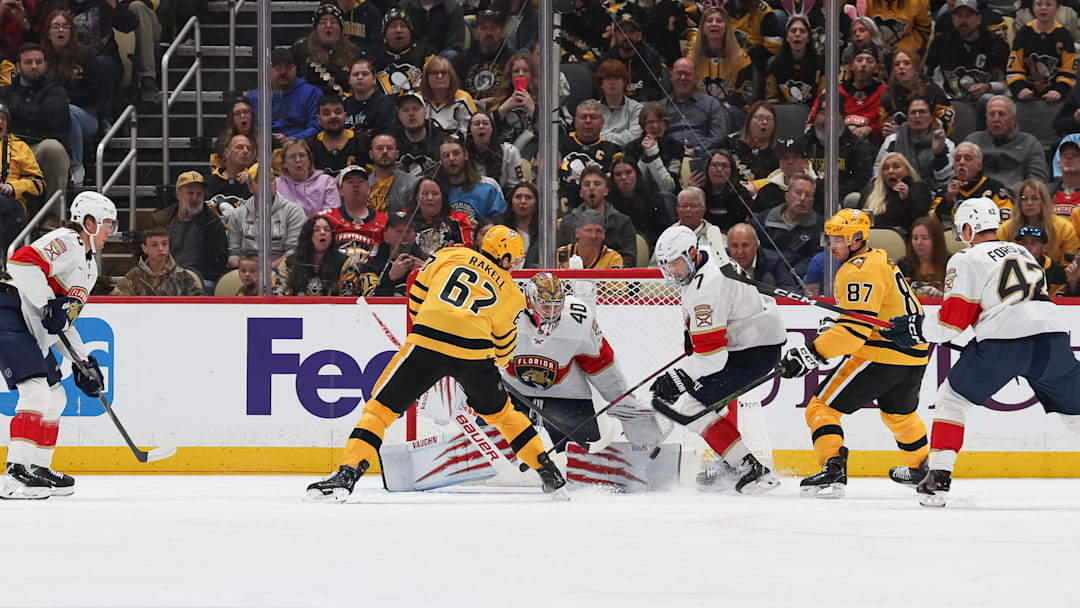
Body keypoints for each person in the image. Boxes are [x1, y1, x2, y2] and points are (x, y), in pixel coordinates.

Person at [306, 225, 568, 501]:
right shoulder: (513, 294)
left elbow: (417, 294)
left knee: (380, 410)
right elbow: (503, 348)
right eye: (513, 260)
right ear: (504, 258)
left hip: (427, 342)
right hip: (475, 352)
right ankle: (550, 474)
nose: (513, 265)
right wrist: (487, 368)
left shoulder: (451, 254)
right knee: (503, 416)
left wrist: (428, 327)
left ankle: (347, 475)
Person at [882, 198, 1080, 507]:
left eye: (960, 227)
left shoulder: (967, 258)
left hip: (1004, 342)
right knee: (1076, 415)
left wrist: (915, 328)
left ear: (969, 226)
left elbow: (950, 324)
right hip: (1052, 338)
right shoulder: (1023, 251)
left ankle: (938, 478)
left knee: (951, 400)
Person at [779, 209, 930, 498]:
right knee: (900, 415)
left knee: (821, 408)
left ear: (857, 239)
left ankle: (832, 469)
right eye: (831, 239)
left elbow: (854, 333)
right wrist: (838, 325)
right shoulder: (877, 258)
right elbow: (865, 315)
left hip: (881, 354)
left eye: (839, 240)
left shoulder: (857, 270)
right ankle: (920, 468)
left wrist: (810, 354)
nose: (832, 246)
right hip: (914, 353)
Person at [649, 224, 786, 493]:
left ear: (690, 253)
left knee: (690, 407)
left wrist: (677, 378)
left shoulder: (707, 290)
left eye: (676, 264)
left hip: (752, 350)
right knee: (711, 402)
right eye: (666, 265)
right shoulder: (707, 255)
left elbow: (712, 359)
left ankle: (751, 469)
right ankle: (732, 461)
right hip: (750, 338)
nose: (671, 272)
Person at [0, 191, 115, 498]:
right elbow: (21, 263)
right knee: (36, 390)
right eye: (106, 224)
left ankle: (37, 467)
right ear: (88, 222)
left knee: (56, 396)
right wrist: (48, 304)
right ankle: (13, 474)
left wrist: (84, 361)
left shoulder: (90, 268)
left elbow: (63, 320)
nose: (110, 232)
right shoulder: (68, 240)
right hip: (8, 309)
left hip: (29, 319)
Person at [504, 272, 670, 454]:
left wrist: (621, 400)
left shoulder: (577, 319)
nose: (552, 312)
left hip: (566, 398)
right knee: (489, 445)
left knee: (585, 458)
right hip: (514, 395)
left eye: (556, 305)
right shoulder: (507, 315)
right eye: (545, 305)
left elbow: (600, 364)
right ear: (530, 302)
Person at [0, 42, 69, 209]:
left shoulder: (56, 91)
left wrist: (15, 110)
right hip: (10, 148)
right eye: (28, 62)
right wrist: (37, 113)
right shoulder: (5, 91)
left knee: (53, 148)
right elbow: (42, 115)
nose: (34, 66)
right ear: (18, 66)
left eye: (38, 62)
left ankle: (52, 218)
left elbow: (53, 119)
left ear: (45, 65)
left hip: (39, 148)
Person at [41, 9, 100, 186]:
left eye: (65, 27)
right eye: (56, 26)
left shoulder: (85, 56)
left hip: (86, 115)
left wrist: (64, 99)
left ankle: (77, 165)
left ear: (71, 31)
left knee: (68, 111)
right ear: (48, 32)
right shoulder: (41, 58)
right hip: (49, 114)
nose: (61, 30)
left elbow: (96, 94)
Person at [925, 0, 1010, 105]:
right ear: (953, 18)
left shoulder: (995, 44)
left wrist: (989, 87)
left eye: (968, 15)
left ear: (978, 19)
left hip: (986, 105)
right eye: (959, 15)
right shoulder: (941, 43)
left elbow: (1008, 83)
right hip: (949, 103)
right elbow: (930, 80)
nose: (963, 21)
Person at [150, 171, 228, 285]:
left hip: (201, 279)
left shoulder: (212, 222)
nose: (195, 198)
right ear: (178, 194)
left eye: (199, 194)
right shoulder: (160, 219)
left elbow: (217, 262)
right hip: (165, 276)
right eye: (190, 193)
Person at [800, 96, 874, 211]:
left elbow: (862, 178)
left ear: (842, 118)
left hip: (842, 200)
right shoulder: (804, 143)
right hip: (806, 196)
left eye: (833, 113)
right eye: (823, 113)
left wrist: (834, 192)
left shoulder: (857, 145)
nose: (828, 119)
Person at [226, 166, 307, 269]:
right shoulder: (237, 215)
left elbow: (293, 252)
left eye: (270, 180)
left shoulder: (293, 211)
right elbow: (233, 253)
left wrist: (265, 271)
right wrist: (247, 271)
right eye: (259, 181)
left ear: (276, 184)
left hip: (282, 272)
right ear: (250, 187)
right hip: (246, 275)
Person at [964, 96, 1049, 193]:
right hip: (979, 197)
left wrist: (1012, 192)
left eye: (1001, 114)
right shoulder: (972, 141)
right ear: (986, 118)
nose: (996, 119)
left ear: (1012, 119)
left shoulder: (1030, 143)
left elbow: (1038, 180)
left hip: (1016, 198)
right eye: (992, 114)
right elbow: (960, 173)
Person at [557, 166, 638, 267]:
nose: (591, 188)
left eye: (597, 184)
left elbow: (629, 261)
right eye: (587, 184)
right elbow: (560, 256)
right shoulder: (567, 222)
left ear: (606, 191)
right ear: (581, 192)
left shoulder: (623, 222)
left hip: (611, 279)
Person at [272, 215, 371, 297]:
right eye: (316, 230)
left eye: (327, 230)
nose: (323, 233)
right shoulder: (288, 264)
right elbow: (281, 301)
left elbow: (349, 302)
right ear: (307, 235)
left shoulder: (346, 264)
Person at [685, 7, 756, 116]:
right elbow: (688, 92)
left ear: (727, 27)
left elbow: (745, 96)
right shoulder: (692, 58)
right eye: (709, 21)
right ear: (703, 28)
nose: (714, 24)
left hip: (732, 112)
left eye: (719, 21)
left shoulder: (741, 58)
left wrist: (720, 108)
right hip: (700, 111)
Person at [874, 95, 955, 190]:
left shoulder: (945, 144)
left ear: (932, 117)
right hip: (894, 192)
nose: (917, 116)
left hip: (931, 194)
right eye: (913, 113)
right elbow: (878, 172)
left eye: (922, 112)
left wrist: (939, 155)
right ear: (907, 118)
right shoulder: (892, 141)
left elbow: (945, 182)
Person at [750, 173, 823, 277]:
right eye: (798, 192)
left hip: (800, 283)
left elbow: (818, 258)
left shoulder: (820, 227)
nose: (802, 198)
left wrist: (794, 274)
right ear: (787, 196)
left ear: (812, 201)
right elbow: (751, 251)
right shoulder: (761, 221)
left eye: (808, 195)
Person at [557, 99, 624, 210]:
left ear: (602, 123)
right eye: (583, 117)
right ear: (575, 121)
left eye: (593, 118)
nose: (588, 121)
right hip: (562, 207)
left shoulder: (613, 151)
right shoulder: (558, 144)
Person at [929, 141, 1014, 227]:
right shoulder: (944, 191)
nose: (961, 162)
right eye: (958, 159)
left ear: (979, 165)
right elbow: (932, 225)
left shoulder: (995, 188)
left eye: (967, 158)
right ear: (953, 165)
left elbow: (1007, 223)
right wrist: (947, 201)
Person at [998, 178, 1080, 266]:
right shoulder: (1007, 228)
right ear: (1019, 202)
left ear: (1044, 201)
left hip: (1054, 276)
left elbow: (1070, 266)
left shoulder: (1065, 228)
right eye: (1024, 199)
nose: (1029, 203)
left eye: (1035, 198)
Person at [247, 48, 322, 142]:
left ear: (295, 69)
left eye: (288, 67)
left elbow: (317, 127)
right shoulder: (254, 97)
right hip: (261, 148)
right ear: (268, 70)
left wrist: (291, 139)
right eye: (278, 67)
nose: (283, 72)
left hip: (299, 148)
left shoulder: (312, 93)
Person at [318, 165, 388, 265]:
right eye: (350, 182)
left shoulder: (384, 222)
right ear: (340, 190)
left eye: (360, 181)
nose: (356, 185)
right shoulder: (325, 219)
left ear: (369, 189)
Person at [1008, 0, 1076, 103]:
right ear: (1033, 7)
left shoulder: (1064, 36)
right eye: (1039, 4)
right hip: (1026, 95)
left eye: (1049, 4)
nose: (1043, 8)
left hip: (1056, 97)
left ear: (1057, 8)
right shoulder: (1023, 34)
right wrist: (1020, 89)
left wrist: (1059, 91)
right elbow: (1014, 68)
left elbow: (1069, 70)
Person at [596, 5, 666, 103]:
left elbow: (653, 92)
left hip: (642, 109)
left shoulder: (651, 59)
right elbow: (600, 92)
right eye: (622, 32)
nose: (627, 36)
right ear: (615, 35)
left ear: (639, 36)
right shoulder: (604, 61)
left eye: (631, 31)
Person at [880, 50, 955, 140]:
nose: (901, 67)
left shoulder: (932, 90)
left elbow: (947, 125)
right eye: (897, 64)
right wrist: (886, 130)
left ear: (916, 68)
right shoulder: (888, 93)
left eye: (907, 63)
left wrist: (908, 132)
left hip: (931, 141)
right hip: (898, 143)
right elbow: (883, 123)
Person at [0, 101, 43, 252]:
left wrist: (13, 187)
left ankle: (5, 260)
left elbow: (38, 183)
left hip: (12, 203)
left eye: (3, 118)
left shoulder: (19, 148)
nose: (0, 122)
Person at [111, 228, 205, 296]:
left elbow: (201, 303)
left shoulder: (181, 276)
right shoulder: (134, 276)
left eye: (164, 244)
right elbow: (115, 301)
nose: (161, 249)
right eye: (154, 245)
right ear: (145, 248)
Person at [292, 3, 360, 98]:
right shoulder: (302, 50)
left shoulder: (353, 52)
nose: (328, 25)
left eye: (333, 21)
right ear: (315, 29)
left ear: (341, 28)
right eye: (323, 22)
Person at [665, 58, 729, 158]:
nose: (682, 78)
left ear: (696, 78)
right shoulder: (661, 106)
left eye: (688, 74)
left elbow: (717, 135)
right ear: (671, 76)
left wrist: (697, 150)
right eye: (679, 73)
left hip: (704, 157)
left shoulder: (711, 104)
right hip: (670, 158)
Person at [857, 152, 933, 233]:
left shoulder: (919, 189)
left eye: (896, 167)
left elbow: (919, 220)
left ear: (907, 170)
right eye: (885, 168)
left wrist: (906, 199)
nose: (890, 171)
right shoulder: (870, 192)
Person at [437, 138, 506, 223]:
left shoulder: (488, 186)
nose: (451, 158)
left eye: (456, 153)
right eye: (446, 155)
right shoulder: (436, 191)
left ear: (465, 155)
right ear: (440, 160)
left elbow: (501, 222)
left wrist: (480, 229)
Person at [608, 159, 672, 249]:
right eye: (618, 174)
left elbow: (664, 231)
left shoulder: (653, 198)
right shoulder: (608, 203)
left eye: (628, 172)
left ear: (637, 174)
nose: (623, 177)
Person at [622, 102, 682, 194]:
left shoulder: (675, 146)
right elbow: (633, 185)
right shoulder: (632, 148)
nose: (655, 126)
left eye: (659, 121)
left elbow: (669, 188)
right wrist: (645, 157)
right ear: (643, 124)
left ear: (666, 123)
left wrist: (653, 154)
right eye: (650, 122)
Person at [360, 209, 424, 295]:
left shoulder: (426, 262)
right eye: (399, 231)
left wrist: (427, 273)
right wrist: (390, 278)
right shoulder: (372, 267)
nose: (404, 236)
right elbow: (371, 300)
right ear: (385, 236)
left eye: (408, 231)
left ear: (414, 236)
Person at [374, 7, 436, 95]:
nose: (398, 30)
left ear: (410, 31)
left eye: (403, 25)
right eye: (393, 26)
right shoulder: (375, 56)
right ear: (384, 33)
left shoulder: (426, 52)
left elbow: (436, 81)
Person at [306, 94, 370, 178]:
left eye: (338, 112)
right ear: (319, 119)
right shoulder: (309, 145)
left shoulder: (363, 142)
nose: (333, 116)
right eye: (326, 113)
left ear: (345, 116)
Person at [765, 15, 823, 105]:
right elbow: (771, 99)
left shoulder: (820, 64)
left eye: (802, 31)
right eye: (793, 31)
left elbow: (822, 99)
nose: (797, 34)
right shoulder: (774, 64)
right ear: (787, 37)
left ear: (808, 38)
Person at [276, 138, 340, 218]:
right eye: (292, 157)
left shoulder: (326, 182)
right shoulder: (276, 185)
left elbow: (332, 214)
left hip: (320, 229)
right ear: (284, 163)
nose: (298, 160)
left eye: (302, 155)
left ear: (309, 160)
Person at [452, 10, 506, 104]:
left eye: (493, 28)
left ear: (501, 32)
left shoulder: (512, 60)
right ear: (475, 33)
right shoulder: (460, 60)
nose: (488, 33)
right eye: (483, 28)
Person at [726, 222, 798, 291]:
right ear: (728, 246)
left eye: (745, 245)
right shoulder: (720, 260)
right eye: (734, 246)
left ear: (756, 245)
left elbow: (789, 289)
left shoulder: (774, 261)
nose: (740, 251)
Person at [838, 43, 886, 144]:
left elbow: (887, 125)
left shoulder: (884, 92)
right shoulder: (836, 91)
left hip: (871, 148)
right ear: (851, 66)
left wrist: (871, 130)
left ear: (877, 68)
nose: (863, 64)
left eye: (869, 61)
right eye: (859, 60)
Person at [490, 52, 539, 150]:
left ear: (532, 74)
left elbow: (554, 132)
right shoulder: (501, 101)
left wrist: (532, 110)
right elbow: (486, 131)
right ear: (510, 76)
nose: (521, 74)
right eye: (516, 71)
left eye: (525, 70)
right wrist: (502, 110)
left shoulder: (544, 99)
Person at [700, 149, 757, 232]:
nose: (719, 169)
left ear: (732, 170)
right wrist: (693, 191)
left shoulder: (741, 194)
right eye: (714, 165)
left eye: (725, 165)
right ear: (707, 168)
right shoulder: (699, 192)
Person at [392, 90, 446, 177]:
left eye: (416, 109)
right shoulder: (391, 144)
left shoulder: (442, 143)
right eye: (406, 110)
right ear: (399, 116)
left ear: (425, 113)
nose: (411, 113)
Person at [465, 111, 524, 191]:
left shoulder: (509, 152)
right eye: (477, 124)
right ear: (469, 130)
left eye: (486, 123)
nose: (481, 126)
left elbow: (516, 185)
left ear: (492, 128)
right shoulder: (463, 153)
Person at [419, 56, 476, 137]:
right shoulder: (417, 99)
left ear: (451, 77)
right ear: (426, 78)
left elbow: (470, 132)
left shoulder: (463, 98)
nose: (439, 76)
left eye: (444, 73)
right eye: (434, 73)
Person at [409, 177, 473, 250]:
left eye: (435, 193)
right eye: (424, 193)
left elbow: (468, 250)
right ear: (416, 197)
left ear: (443, 197)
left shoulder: (459, 219)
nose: (430, 198)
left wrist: (452, 251)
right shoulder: (405, 220)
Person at [753, 138, 814, 212]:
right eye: (785, 157)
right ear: (779, 162)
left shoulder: (818, 189)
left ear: (805, 162)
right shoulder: (767, 191)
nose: (790, 161)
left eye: (795, 157)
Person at [204, 134, 255, 223]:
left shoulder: (255, 181)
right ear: (227, 153)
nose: (246, 151)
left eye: (249, 149)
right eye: (240, 147)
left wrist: (255, 181)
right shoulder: (209, 182)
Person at [343, 58, 398, 138]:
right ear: (349, 80)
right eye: (355, 74)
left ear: (374, 78)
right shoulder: (344, 105)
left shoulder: (385, 104)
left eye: (365, 74)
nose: (360, 77)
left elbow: (388, 132)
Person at [896, 216, 950, 297]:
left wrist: (941, 296)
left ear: (936, 240)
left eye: (925, 238)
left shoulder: (951, 263)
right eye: (915, 238)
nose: (919, 242)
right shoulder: (903, 266)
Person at [730, 101, 780, 186]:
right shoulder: (729, 143)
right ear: (749, 120)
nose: (764, 122)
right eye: (760, 117)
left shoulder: (780, 152)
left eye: (768, 118)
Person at [596, 59, 643, 148]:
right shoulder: (592, 109)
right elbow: (587, 136)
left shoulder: (636, 108)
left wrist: (601, 137)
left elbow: (633, 137)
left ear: (624, 82)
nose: (612, 82)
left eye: (617, 78)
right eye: (607, 79)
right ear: (601, 84)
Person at [555, 209, 625, 269]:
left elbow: (618, 284)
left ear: (604, 234)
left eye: (599, 231)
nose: (593, 236)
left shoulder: (612, 258)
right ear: (577, 232)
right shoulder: (560, 254)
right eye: (588, 230)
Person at [367, 133, 419, 214]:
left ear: (397, 154)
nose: (385, 152)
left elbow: (413, 214)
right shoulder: (363, 184)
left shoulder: (412, 183)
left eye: (389, 148)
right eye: (380, 148)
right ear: (371, 154)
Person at [1013, 223, 1068, 296]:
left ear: (1045, 247)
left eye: (1033, 243)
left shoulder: (1057, 272)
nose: (1027, 248)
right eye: (1023, 242)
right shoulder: (1009, 267)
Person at [399, 0, 467, 57]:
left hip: (442, 58)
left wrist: (435, 61)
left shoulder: (452, 7)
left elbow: (455, 44)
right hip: (410, 56)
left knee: (452, 54)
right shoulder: (404, 7)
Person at [865, 0, 931, 57]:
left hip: (908, 53)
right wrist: (876, 48)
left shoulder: (919, 2)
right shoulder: (867, 2)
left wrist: (902, 47)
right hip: (874, 51)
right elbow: (862, 29)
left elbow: (923, 31)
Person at [211, 98, 260, 172]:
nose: (242, 116)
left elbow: (276, 174)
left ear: (252, 115)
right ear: (232, 119)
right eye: (237, 113)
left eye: (246, 112)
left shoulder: (267, 140)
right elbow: (216, 174)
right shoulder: (221, 143)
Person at [498, 182, 539, 268]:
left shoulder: (543, 232)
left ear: (536, 203)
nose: (523, 201)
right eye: (518, 197)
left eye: (528, 197)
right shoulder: (501, 231)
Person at [1049, 137, 1080, 215]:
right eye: (1064, 154)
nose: (1069, 157)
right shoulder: (1046, 192)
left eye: (1075, 155)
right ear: (1059, 163)